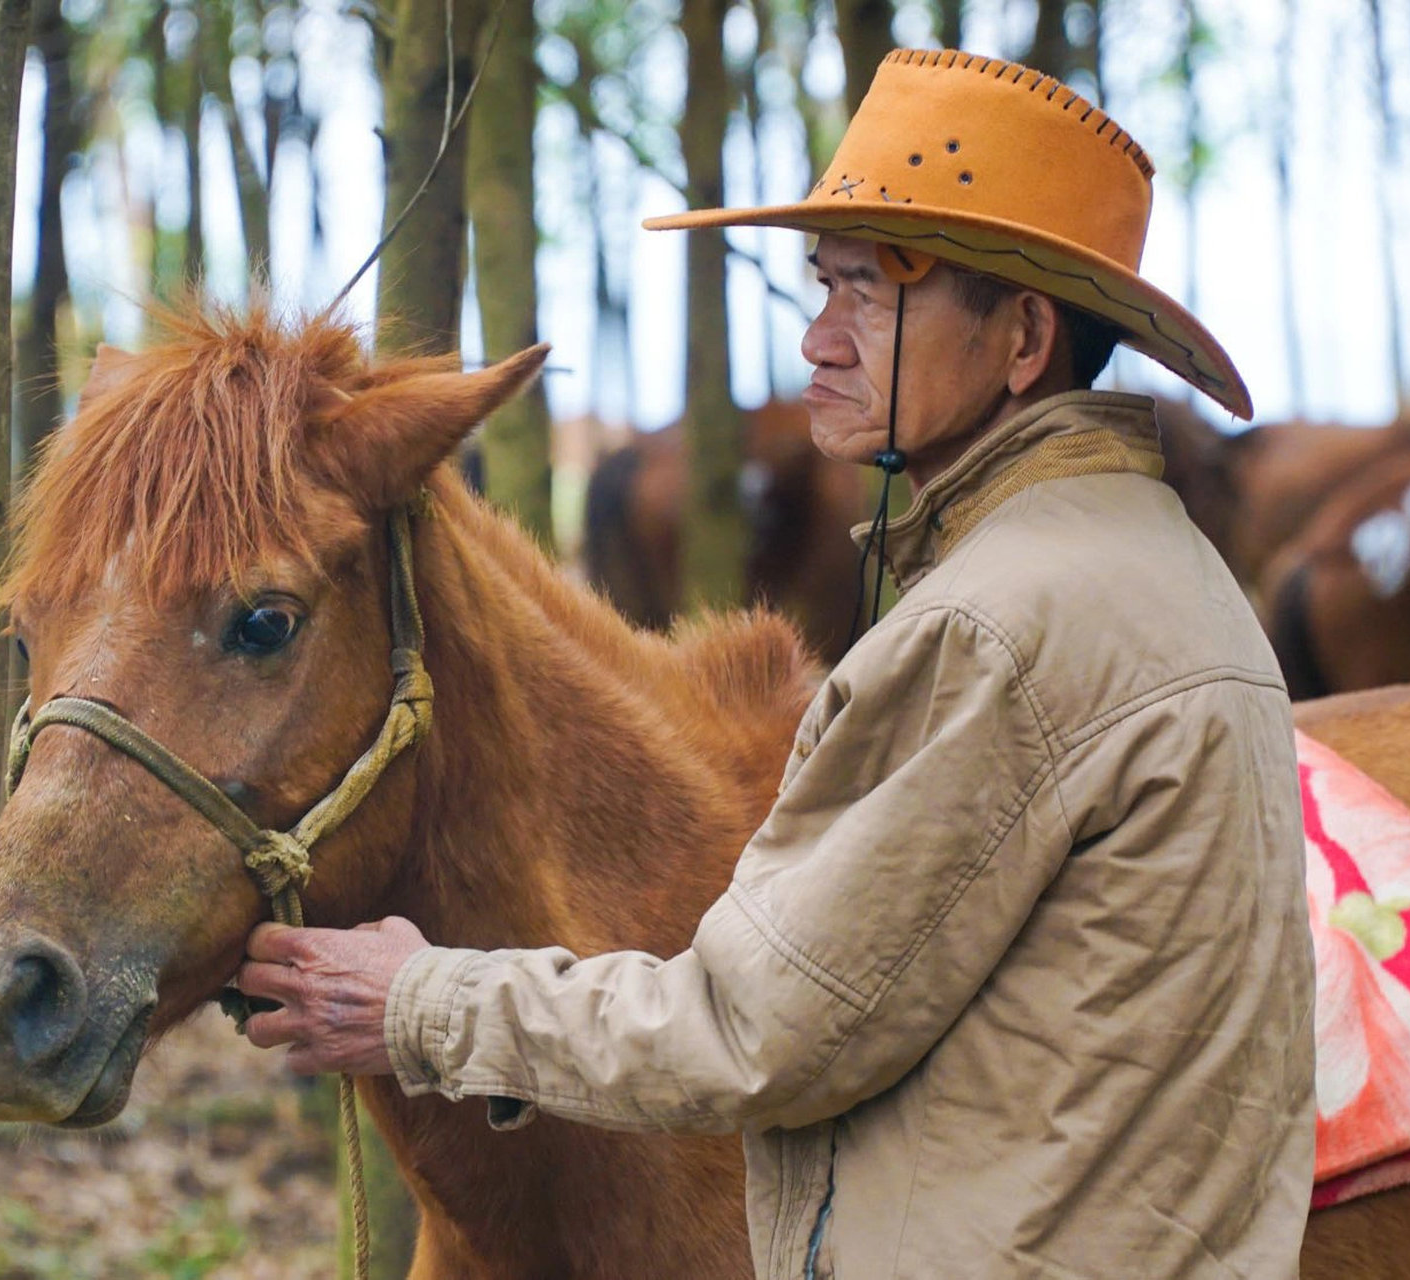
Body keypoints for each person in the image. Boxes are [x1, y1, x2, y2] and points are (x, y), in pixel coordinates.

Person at [238, 49, 1315, 1277]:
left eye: (871, 293)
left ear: (1022, 337)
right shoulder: (1164, 568)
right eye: (823, 288)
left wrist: (419, 999)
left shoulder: (996, 626)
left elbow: (756, 1027)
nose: (818, 338)